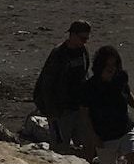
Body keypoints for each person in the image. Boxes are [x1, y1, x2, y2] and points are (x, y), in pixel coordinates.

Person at [81, 46, 134, 164]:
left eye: (114, 64)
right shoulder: (90, 87)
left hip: (125, 128)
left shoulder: (120, 78)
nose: (111, 68)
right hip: (105, 135)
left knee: (133, 157)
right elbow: (84, 113)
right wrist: (93, 136)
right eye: (107, 65)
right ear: (100, 66)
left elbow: (127, 94)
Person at [33, 20, 91, 153]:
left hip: (78, 108)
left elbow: (85, 74)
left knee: (87, 143)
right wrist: (51, 111)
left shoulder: (83, 51)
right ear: (72, 35)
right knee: (59, 147)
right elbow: (46, 85)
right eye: (82, 38)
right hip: (59, 111)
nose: (85, 41)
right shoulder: (58, 54)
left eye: (87, 38)